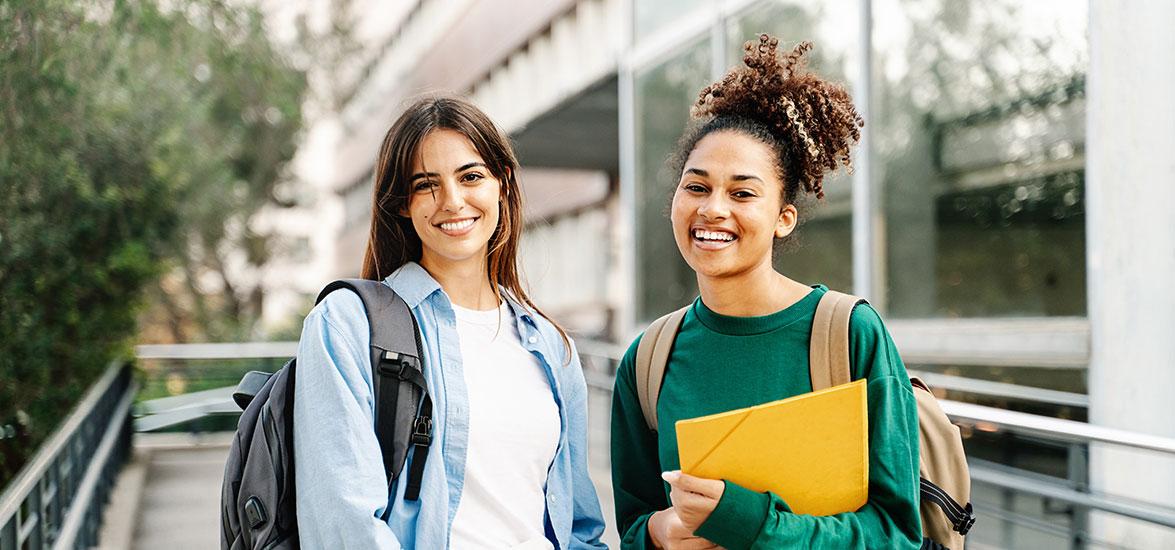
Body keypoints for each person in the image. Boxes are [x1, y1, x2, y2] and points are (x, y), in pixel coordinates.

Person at [610, 36, 922, 549]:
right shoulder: (647, 361)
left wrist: (755, 524)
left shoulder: (848, 334)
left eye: (742, 193)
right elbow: (633, 527)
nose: (712, 208)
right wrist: (660, 532)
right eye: (696, 186)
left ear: (783, 218)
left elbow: (897, 534)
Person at [293, 96, 607, 549]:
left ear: (502, 183)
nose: (453, 202)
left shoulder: (551, 348)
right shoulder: (348, 325)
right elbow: (343, 525)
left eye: (471, 176)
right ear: (401, 203)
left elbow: (580, 529)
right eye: (426, 184)